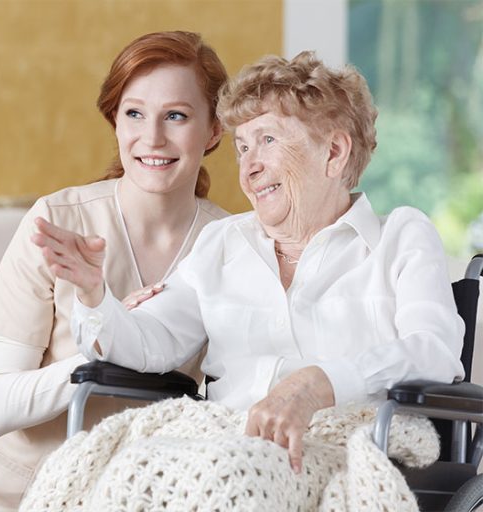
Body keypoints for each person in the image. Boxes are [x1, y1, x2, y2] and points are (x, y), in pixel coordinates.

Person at [34, 50, 465, 476]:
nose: (249, 168)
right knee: (100, 474)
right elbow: (151, 340)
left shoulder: (401, 237)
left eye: (268, 141)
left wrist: (320, 382)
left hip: (348, 452)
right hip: (225, 448)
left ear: (333, 152)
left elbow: (434, 351)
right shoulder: (222, 242)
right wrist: (94, 294)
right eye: (242, 147)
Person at [0, 30, 229, 511]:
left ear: (214, 129)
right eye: (134, 114)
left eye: (176, 116)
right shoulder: (58, 222)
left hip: (135, 495)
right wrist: (104, 356)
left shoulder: (231, 245)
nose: (151, 138)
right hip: (8, 491)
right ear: (115, 120)